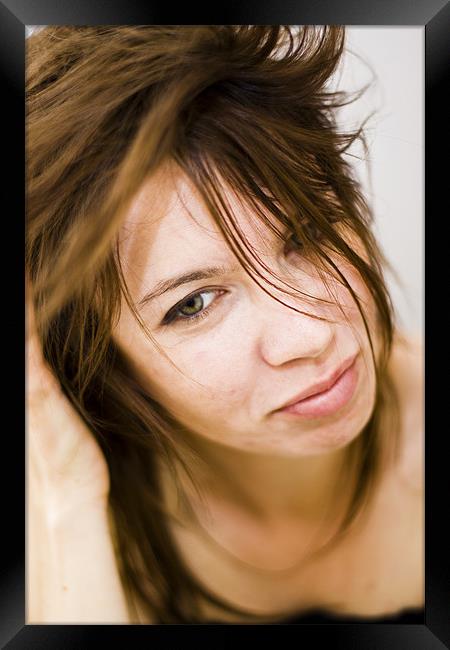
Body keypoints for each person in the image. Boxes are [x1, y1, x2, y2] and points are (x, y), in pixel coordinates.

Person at [26, 25, 424, 624]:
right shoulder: (56, 542)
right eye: (193, 304)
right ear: (98, 361)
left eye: (309, 231)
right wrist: (69, 501)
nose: (309, 333)